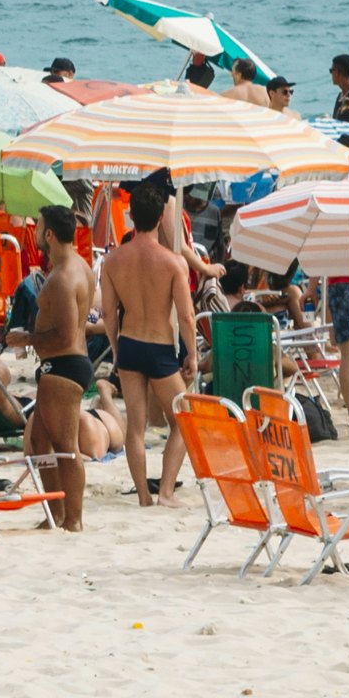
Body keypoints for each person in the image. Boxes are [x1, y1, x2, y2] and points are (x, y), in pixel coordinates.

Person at [101, 174, 196, 504]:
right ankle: (166, 492)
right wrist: (193, 355)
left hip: (129, 344)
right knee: (183, 420)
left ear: (131, 215)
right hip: (159, 347)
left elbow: (109, 314)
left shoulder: (113, 260)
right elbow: (186, 316)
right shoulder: (173, 262)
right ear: (160, 218)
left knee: (136, 428)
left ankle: (143, 495)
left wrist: (115, 347)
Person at [22, 202, 100, 532]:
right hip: (68, 363)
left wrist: (26, 338)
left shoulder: (62, 278)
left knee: (67, 448)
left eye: (38, 227)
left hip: (64, 366)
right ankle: (56, 514)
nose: (36, 233)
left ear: (49, 234)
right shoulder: (82, 268)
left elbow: (66, 334)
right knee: (41, 442)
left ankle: (74, 519)